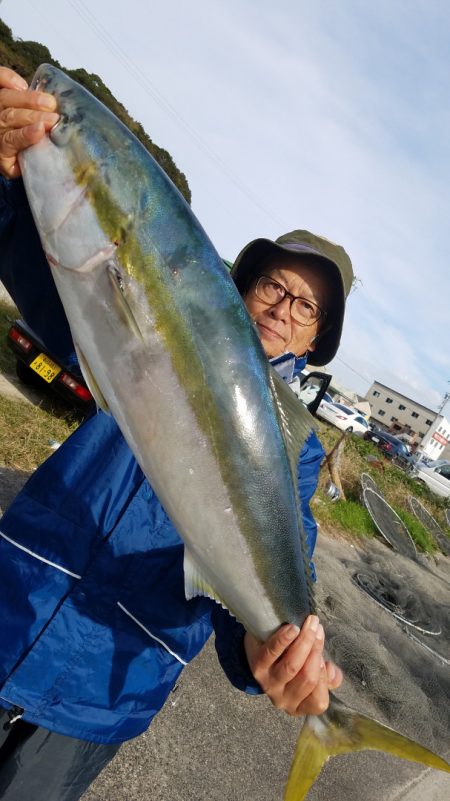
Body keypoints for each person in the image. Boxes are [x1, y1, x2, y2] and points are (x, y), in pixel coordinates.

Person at [0, 67, 352, 800]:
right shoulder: (143, 334)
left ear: (316, 343)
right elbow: (53, 279)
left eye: (307, 307)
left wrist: (273, 653)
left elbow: (248, 608)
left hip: (99, 695)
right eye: (274, 286)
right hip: (10, 599)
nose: (285, 308)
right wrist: (12, 179)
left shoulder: (297, 449)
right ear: (242, 285)